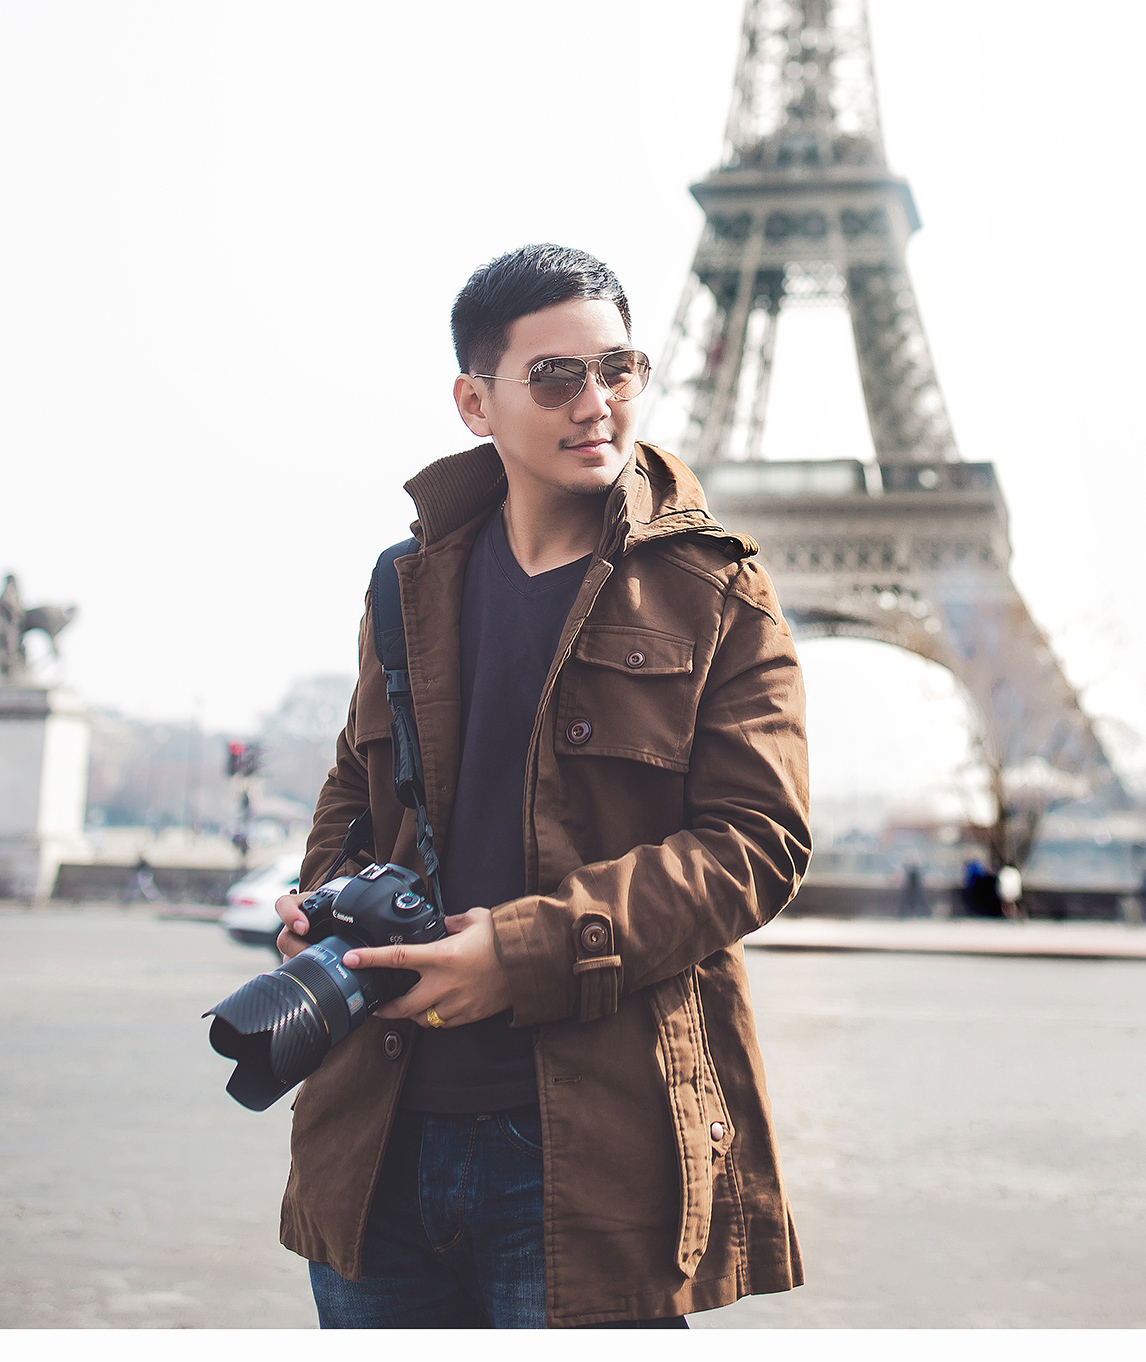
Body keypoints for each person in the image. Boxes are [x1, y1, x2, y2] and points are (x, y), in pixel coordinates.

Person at [274, 245, 809, 1329]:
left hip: (589, 1153)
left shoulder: (718, 590)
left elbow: (757, 842)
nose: (596, 402)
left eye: (619, 369)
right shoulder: (403, 585)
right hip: (378, 1137)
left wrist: (520, 956)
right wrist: (320, 902)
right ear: (475, 402)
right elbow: (355, 788)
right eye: (556, 377)